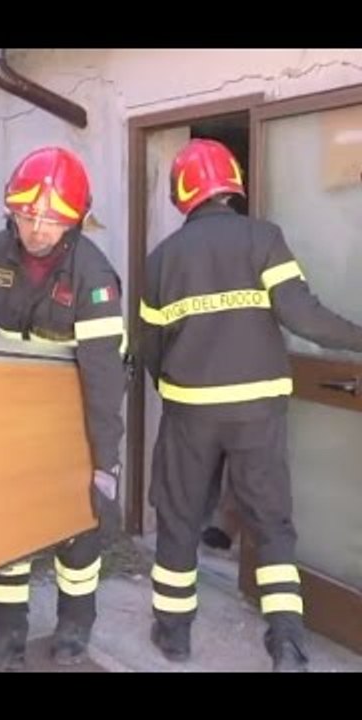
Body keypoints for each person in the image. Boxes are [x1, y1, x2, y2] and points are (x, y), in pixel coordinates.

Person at [140, 138, 362, 672]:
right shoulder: (264, 239)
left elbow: (149, 347)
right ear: (231, 185)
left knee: (179, 517)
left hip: (190, 411)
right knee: (271, 523)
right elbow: (305, 318)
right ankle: (286, 640)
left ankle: (173, 635)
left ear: (183, 191)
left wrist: (172, 387)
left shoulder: (162, 259)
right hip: (259, 412)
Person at [0, 146, 127, 671]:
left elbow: (104, 381)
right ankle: (2, 639)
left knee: (79, 531)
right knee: (5, 528)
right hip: (10, 415)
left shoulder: (95, 277)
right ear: (11, 211)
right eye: (27, 214)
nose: (37, 228)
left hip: (73, 418)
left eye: (52, 218)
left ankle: (74, 631)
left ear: (75, 221)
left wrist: (105, 466)